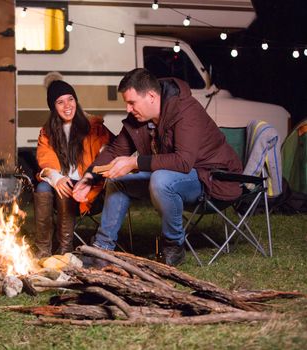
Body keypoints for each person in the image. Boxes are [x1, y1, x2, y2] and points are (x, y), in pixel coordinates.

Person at [73, 68, 242, 266]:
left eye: (131, 103)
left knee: (160, 179)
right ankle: (102, 249)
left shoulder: (186, 111)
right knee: (118, 181)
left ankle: (173, 246)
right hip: (177, 180)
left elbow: (183, 161)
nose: (128, 109)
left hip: (213, 179)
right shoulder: (140, 119)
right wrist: (90, 177)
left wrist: (134, 162)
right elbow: (115, 150)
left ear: (151, 96)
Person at [34, 76, 113, 258]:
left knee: (65, 187)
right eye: (60, 102)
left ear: (76, 101)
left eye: (70, 99)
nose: (67, 105)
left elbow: (109, 153)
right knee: (42, 187)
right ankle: (43, 250)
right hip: (59, 186)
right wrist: (57, 178)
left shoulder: (93, 127)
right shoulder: (47, 132)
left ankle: (65, 248)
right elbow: (45, 160)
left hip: (89, 188)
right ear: (53, 107)